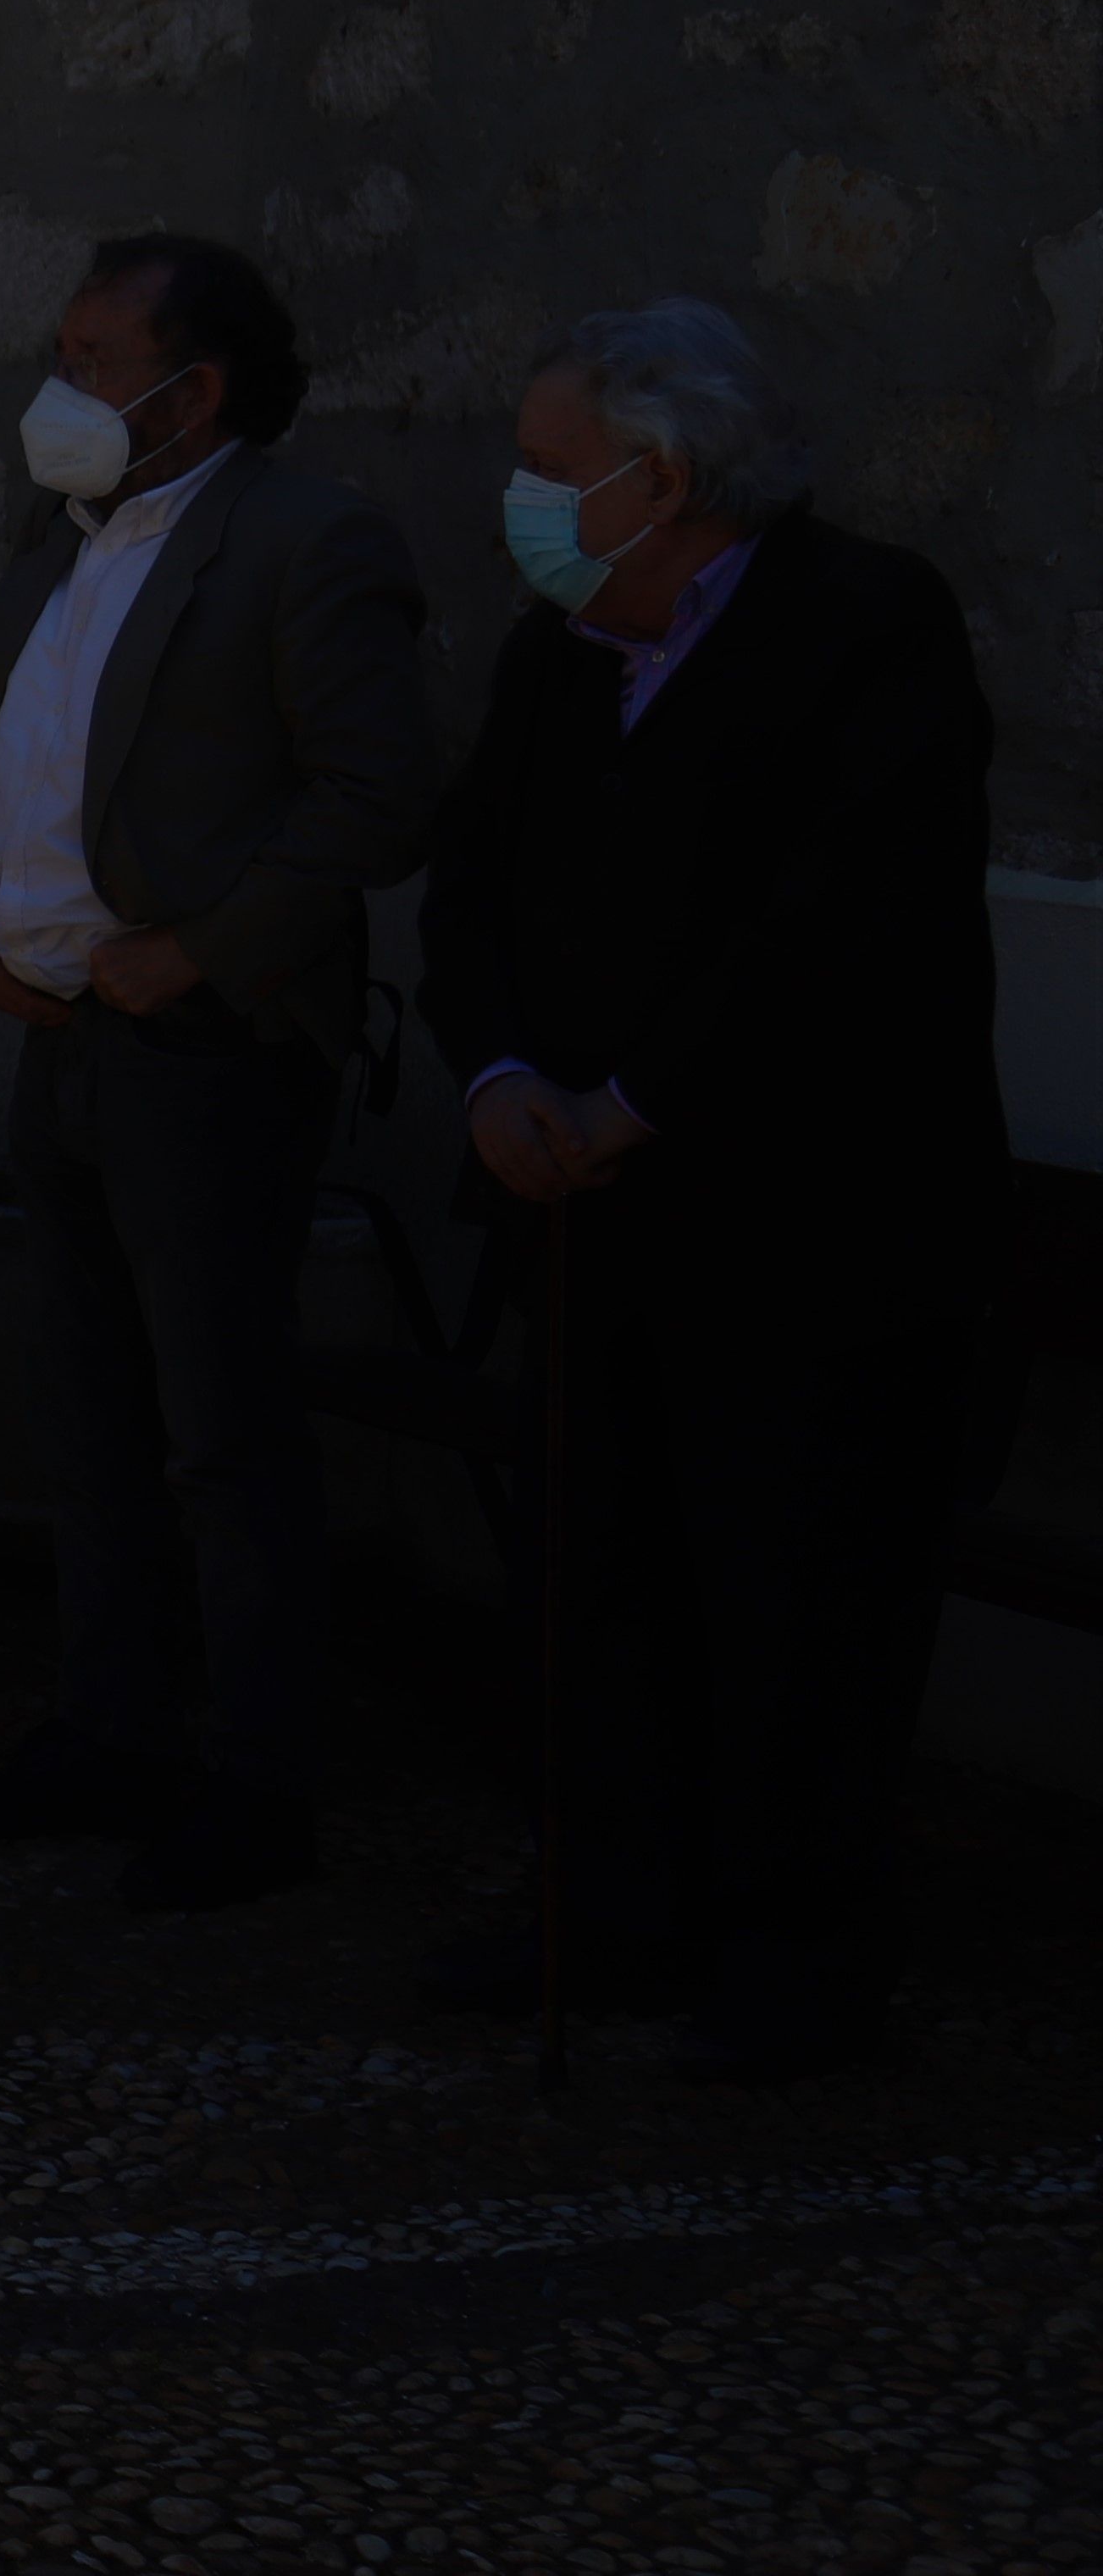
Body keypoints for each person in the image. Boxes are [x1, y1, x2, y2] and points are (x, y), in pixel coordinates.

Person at [415, 301, 1006, 2083]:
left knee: (796, 1597)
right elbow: (476, 882)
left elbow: (838, 918)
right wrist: (508, 1077)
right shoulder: (560, 648)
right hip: (589, 1223)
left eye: (540, 464)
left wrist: (639, 1099)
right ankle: (615, 1902)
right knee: (600, 1584)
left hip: (804, 1233)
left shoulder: (866, 624)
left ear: (654, 477)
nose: (517, 499)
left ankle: (795, 1960)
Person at [0, 235, 440, 1908]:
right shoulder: (52, 533)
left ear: (192, 384)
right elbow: (7, 744)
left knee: (220, 1429)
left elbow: (373, 797)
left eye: (93, 355)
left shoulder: (309, 541)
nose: (58, 385)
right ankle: (109, 1729)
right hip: (62, 1036)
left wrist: (202, 947)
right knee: (84, 1411)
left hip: (205, 1050)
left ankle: (257, 1780)